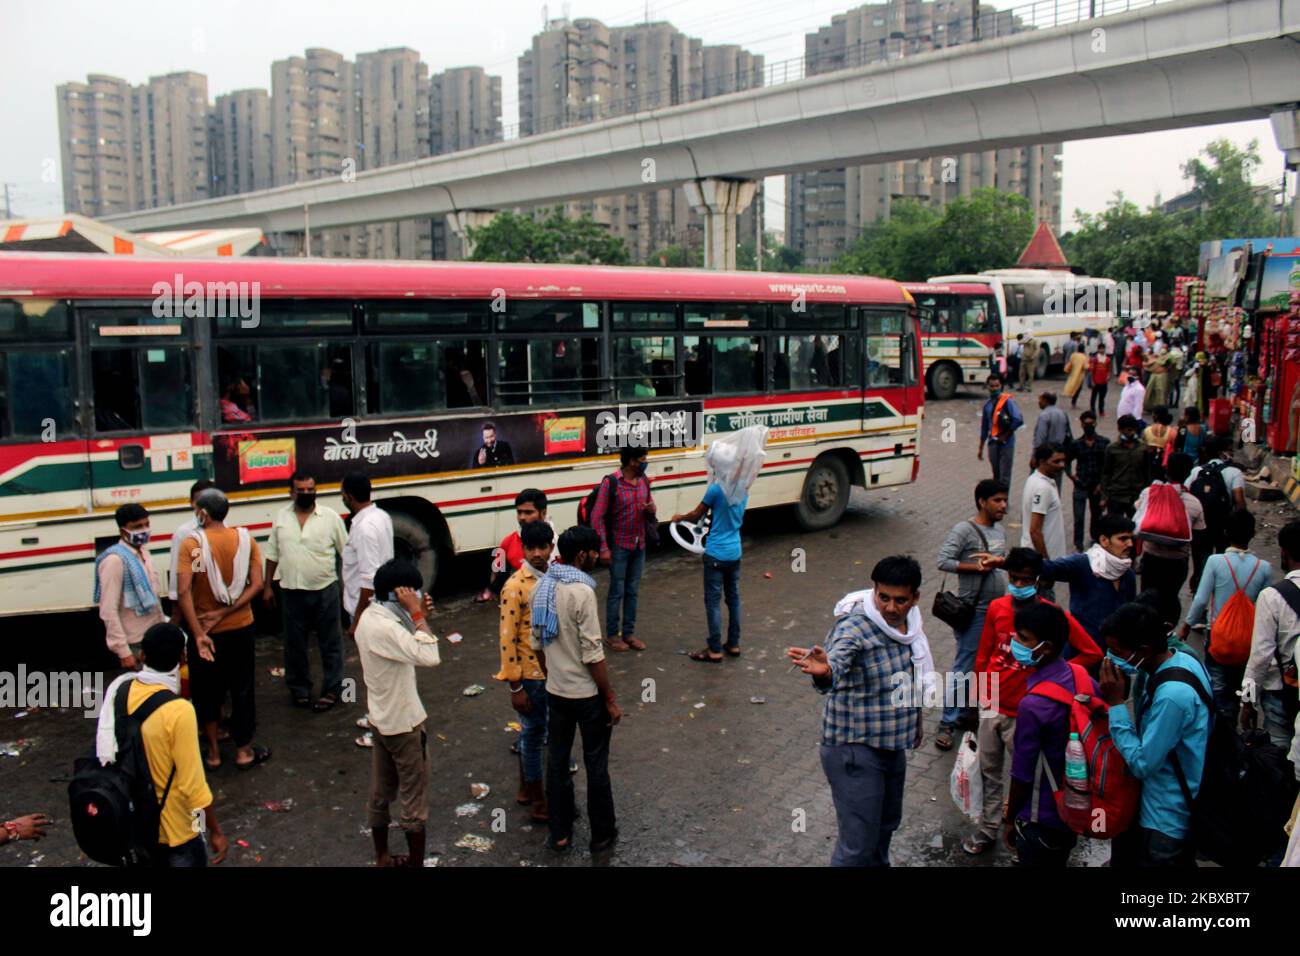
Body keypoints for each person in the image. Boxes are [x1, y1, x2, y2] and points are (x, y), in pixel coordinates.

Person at [787, 556, 928, 866]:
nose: (891, 608)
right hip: (855, 750)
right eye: (884, 598)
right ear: (873, 591)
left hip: (892, 746)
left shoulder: (911, 627)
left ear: (915, 598)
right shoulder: (854, 627)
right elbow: (835, 666)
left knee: (885, 827)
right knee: (858, 846)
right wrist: (825, 672)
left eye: (900, 600)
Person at [966, 548, 1101, 856]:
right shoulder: (997, 608)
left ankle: (1026, 833)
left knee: (1028, 777)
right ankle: (988, 828)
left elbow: (1091, 652)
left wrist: (1056, 672)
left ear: (1039, 580)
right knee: (989, 771)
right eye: (1014, 578)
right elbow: (984, 654)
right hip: (992, 705)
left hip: (1026, 715)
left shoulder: (1054, 617)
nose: (1020, 584)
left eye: (1027, 579)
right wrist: (975, 699)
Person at [94, 623, 228, 866]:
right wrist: (211, 831)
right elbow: (193, 787)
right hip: (178, 834)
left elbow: (106, 751)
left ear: (142, 655)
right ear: (183, 657)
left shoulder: (120, 690)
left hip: (136, 825)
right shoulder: (179, 711)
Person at [1099, 601, 1212, 867]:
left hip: (1165, 818)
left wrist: (1116, 704)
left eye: (1116, 652)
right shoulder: (1183, 659)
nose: (1109, 658)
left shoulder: (1172, 696)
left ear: (1143, 651)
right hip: (1177, 799)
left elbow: (1142, 763)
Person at [530, 526, 621, 854]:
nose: (598, 557)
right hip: (586, 696)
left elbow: (537, 646)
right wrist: (609, 697)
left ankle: (560, 832)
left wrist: (552, 674)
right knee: (595, 763)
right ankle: (601, 834)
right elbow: (593, 654)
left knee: (556, 762)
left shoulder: (541, 588)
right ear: (582, 555)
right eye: (595, 552)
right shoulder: (581, 592)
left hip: (556, 692)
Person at [1001, 602, 1102, 866]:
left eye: (1023, 639)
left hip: (1041, 814)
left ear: (1046, 647)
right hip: (1076, 803)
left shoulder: (1033, 705)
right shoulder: (1083, 678)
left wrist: (1011, 818)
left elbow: (1022, 772)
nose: (1015, 642)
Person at [354, 559, 440, 868]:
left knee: (380, 792)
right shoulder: (386, 627)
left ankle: (382, 857)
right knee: (413, 801)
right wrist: (417, 616)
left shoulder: (370, 617)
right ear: (399, 594)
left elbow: (400, 641)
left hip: (381, 722)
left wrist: (417, 615)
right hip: (405, 725)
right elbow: (430, 655)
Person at [177, 488, 269, 772]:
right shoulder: (245, 540)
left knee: (207, 690)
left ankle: (214, 754)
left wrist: (199, 633)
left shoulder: (193, 546)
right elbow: (256, 584)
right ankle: (243, 751)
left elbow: (184, 591)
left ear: (202, 513)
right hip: (240, 628)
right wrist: (227, 611)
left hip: (205, 633)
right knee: (241, 689)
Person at [262, 470, 349, 712]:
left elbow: (348, 554)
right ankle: (300, 689)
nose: (307, 494)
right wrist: (267, 586)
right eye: (301, 490)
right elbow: (272, 554)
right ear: (291, 492)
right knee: (294, 645)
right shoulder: (281, 517)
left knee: (331, 643)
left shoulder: (330, 517)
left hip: (325, 591)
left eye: (311, 490)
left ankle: (333, 689)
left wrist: (351, 591)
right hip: (291, 592)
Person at [933, 479, 1008, 751]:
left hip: (997, 610)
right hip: (974, 611)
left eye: (1004, 500)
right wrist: (974, 568)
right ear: (982, 501)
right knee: (965, 665)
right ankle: (947, 722)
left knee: (986, 665)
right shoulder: (964, 530)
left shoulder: (1000, 531)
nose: (1003, 505)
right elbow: (943, 560)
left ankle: (968, 712)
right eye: (997, 500)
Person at [1178, 508, 1272, 722]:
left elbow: (1201, 599)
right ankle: (1243, 715)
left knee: (1218, 688)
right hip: (1248, 639)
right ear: (1252, 534)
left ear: (1226, 533)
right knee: (1243, 682)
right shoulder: (1264, 568)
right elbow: (1266, 607)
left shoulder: (1216, 562)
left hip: (1218, 637)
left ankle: (1222, 730)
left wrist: (1186, 625)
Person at [496, 520, 555, 824]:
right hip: (529, 677)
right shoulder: (515, 586)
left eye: (541, 547)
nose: (536, 553)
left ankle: (525, 790)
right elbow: (507, 639)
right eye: (530, 548)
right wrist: (515, 687)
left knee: (533, 733)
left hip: (549, 672)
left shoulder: (552, 579)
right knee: (533, 736)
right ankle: (539, 801)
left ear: (550, 547)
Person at [341, 471, 394, 749]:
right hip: (380, 606)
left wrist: (357, 618)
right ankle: (375, 716)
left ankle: (380, 728)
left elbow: (368, 579)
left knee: (376, 673)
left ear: (348, 496)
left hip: (370, 611)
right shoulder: (380, 516)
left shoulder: (363, 528)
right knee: (376, 671)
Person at [674, 476, 748, 663]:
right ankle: (733, 643)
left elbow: (696, 515)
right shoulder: (744, 487)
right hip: (735, 552)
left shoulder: (716, 489)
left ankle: (714, 649)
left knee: (713, 602)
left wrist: (679, 518)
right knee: (734, 599)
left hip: (716, 553)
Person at [590, 445, 657, 652]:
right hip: (619, 545)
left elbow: (651, 506)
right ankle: (612, 635)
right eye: (642, 459)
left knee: (632, 591)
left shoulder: (644, 482)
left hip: (639, 544)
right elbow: (597, 517)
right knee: (616, 591)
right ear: (631, 461)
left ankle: (628, 633)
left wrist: (651, 509)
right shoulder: (611, 483)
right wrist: (603, 547)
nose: (645, 462)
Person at [1242, 519, 1300, 752]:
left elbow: (1259, 657)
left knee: (1280, 761)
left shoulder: (1272, 596)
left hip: (1281, 694)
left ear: (1284, 552)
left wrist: (1247, 700)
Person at [1040, 514, 1138, 643]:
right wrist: (1008, 562)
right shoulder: (1084, 564)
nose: (1130, 544)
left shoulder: (1128, 574)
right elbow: (1046, 567)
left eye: (1131, 538)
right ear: (1104, 540)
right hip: (1083, 648)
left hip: (1115, 652)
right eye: (1123, 539)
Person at [95, 503, 166, 671]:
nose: (144, 530)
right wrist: (123, 652)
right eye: (137, 527)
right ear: (123, 531)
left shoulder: (144, 554)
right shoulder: (115, 560)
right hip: (135, 642)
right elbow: (108, 610)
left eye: (146, 525)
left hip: (154, 635)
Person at [1134, 453, 1205, 608]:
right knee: (1168, 601)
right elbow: (1198, 544)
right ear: (1188, 474)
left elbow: (1139, 514)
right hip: (1177, 563)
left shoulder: (1150, 493)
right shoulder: (1194, 504)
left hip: (1151, 559)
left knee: (1146, 602)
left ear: (1166, 470)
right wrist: (1197, 572)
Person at [475, 488, 556, 603]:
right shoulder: (506, 543)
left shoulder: (558, 543)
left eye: (528, 512)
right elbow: (496, 575)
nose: (522, 517)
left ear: (543, 513)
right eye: (519, 512)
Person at [168, 479, 216, 617]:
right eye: (200, 501)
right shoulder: (185, 533)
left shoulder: (229, 529)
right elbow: (178, 575)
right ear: (191, 503)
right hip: (199, 605)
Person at [1065, 410, 1109, 553]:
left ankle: (1095, 538)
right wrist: (1072, 477)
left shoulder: (1104, 442)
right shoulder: (1076, 444)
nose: (1089, 426)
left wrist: (1102, 485)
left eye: (1091, 423)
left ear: (1095, 423)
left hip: (1097, 485)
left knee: (1096, 515)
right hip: (1081, 484)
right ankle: (1078, 543)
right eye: (1086, 424)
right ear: (1082, 425)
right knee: (1078, 516)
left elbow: (1108, 466)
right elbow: (1066, 462)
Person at [1021, 443, 1067, 562]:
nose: (1062, 465)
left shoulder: (1034, 479)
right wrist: (1046, 564)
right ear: (1042, 461)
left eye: (1063, 460)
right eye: (1056, 461)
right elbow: (1035, 530)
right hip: (1042, 557)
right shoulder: (1043, 488)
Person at [977, 372, 1023, 488]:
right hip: (993, 443)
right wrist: (981, 447)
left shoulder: (1008, 401)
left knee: (1005, 475)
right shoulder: (987, 405)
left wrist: (1006, 436)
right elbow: (984, 428)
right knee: (996, 473)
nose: (994, 389)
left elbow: (1018, 419)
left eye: (997, 386)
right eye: (991, 386)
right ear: (987, 386)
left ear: (1001, 386)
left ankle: (1003, 501)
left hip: (1007, 444)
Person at [1099, 415, 1148, 518]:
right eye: (1127, 430)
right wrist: (1104, 496)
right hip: (1117, 495)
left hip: (1137, 496)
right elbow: (1106, 473)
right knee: (1115, 528)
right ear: (1120, 430)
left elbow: (1147, 472)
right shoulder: (1112, 449)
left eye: (1132, 430)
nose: (1130, 433)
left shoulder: (1143, 448)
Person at [1031, 393, 1071, 491]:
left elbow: (1040, 438)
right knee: (1056, 485)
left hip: (1046, 455)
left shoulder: (1044, 415)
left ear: (1045, 401)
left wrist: (1034, 456)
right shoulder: (1062, 413)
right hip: (1059, 453)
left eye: (1040, 400)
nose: (1038, 402)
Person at [1142, 405, 1176, 481]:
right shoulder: (1172, 432)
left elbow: (1144, 445)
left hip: (1150, 462)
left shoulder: (1147, 430)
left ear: (1155, 415)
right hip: (1165, 462)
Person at [1062, 336, 1088, 409]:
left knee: (1072, 386)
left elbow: (1069, 364)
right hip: (1080, 376)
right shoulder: (1084, 357)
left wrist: (1067, 370)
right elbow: (1086, 367)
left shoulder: (1074, 355)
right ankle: (1074, 403)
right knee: (1078, 388)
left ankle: (1072, 399)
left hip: (1073, 374)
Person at [1089, 349, 1111, 417]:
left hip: (1104, 381)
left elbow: (1109, 369)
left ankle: (1101, 411)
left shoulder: (1107, 359)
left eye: (1103, 349)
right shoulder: (1095, 359)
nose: (1102, 350)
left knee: (1102, 398)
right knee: (1094, 397)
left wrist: (1108, 376)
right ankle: (1093, 411)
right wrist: (1092, 381)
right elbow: (1092, 371)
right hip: (1096, 381)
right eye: (1100, 349)